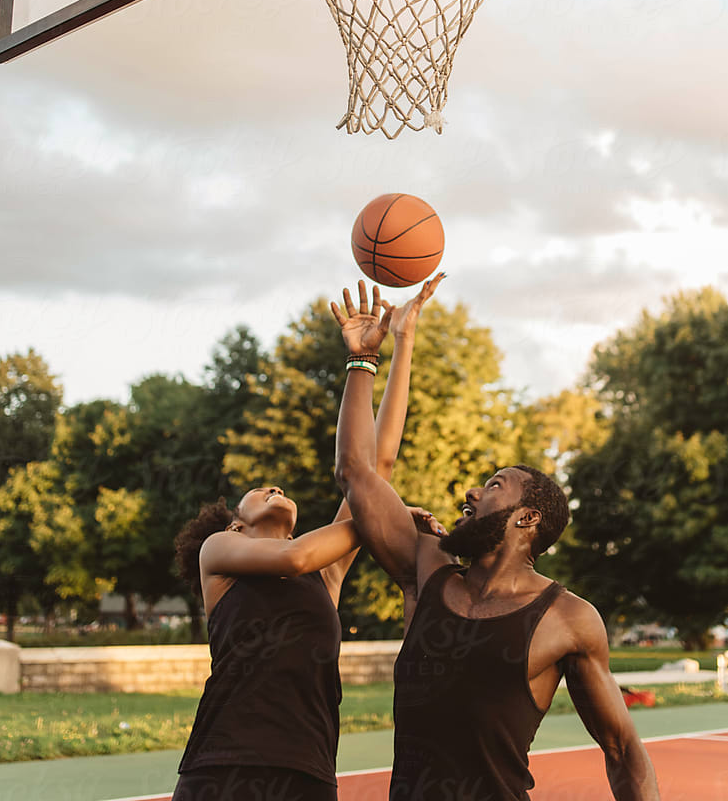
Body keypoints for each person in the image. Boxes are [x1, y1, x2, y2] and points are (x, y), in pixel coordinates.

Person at [331, 281, 660, 801]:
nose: (470, 492)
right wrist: (365, 360)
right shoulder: (428, 567)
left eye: (492, 486)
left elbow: (622, 750)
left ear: (528, 517)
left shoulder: (569, 619)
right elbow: (358, 472)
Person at [170, 275, 443, 801]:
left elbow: (373, 468)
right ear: (235, 525)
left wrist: (389, 348)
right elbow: (295, 557)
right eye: (258, 490)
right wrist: (381, 516)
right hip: (224, 764)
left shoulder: (328, 572)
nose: (274, 486)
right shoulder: (219, 553)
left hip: (308, 769)